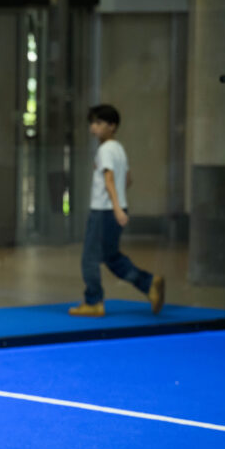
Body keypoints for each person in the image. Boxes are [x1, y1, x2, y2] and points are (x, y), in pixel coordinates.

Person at [69, 104, 164, 317]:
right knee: (111, 257)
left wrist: (115, 207)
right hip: (114, 209)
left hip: (103, 211)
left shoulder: (105, 150)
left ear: (112, 126)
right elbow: (127, 179)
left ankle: (93, 301)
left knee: (89, 258)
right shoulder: (119, 149)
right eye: (92, 123)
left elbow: (109, 178)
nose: (93, 128)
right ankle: (149, 283)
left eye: (99, 123)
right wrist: (119, 205)